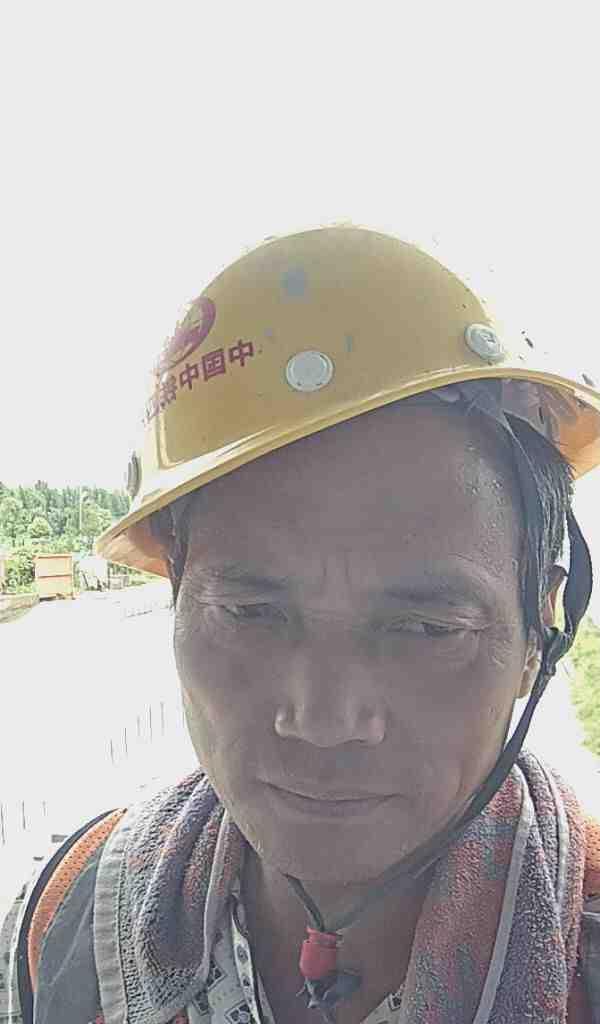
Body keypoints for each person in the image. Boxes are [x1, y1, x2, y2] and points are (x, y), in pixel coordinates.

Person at [2, 226, 600, 1023]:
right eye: (252, 614)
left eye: (425, 629)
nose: (322, 720)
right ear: (176, 599)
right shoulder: (65, 925)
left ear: (539, 633)